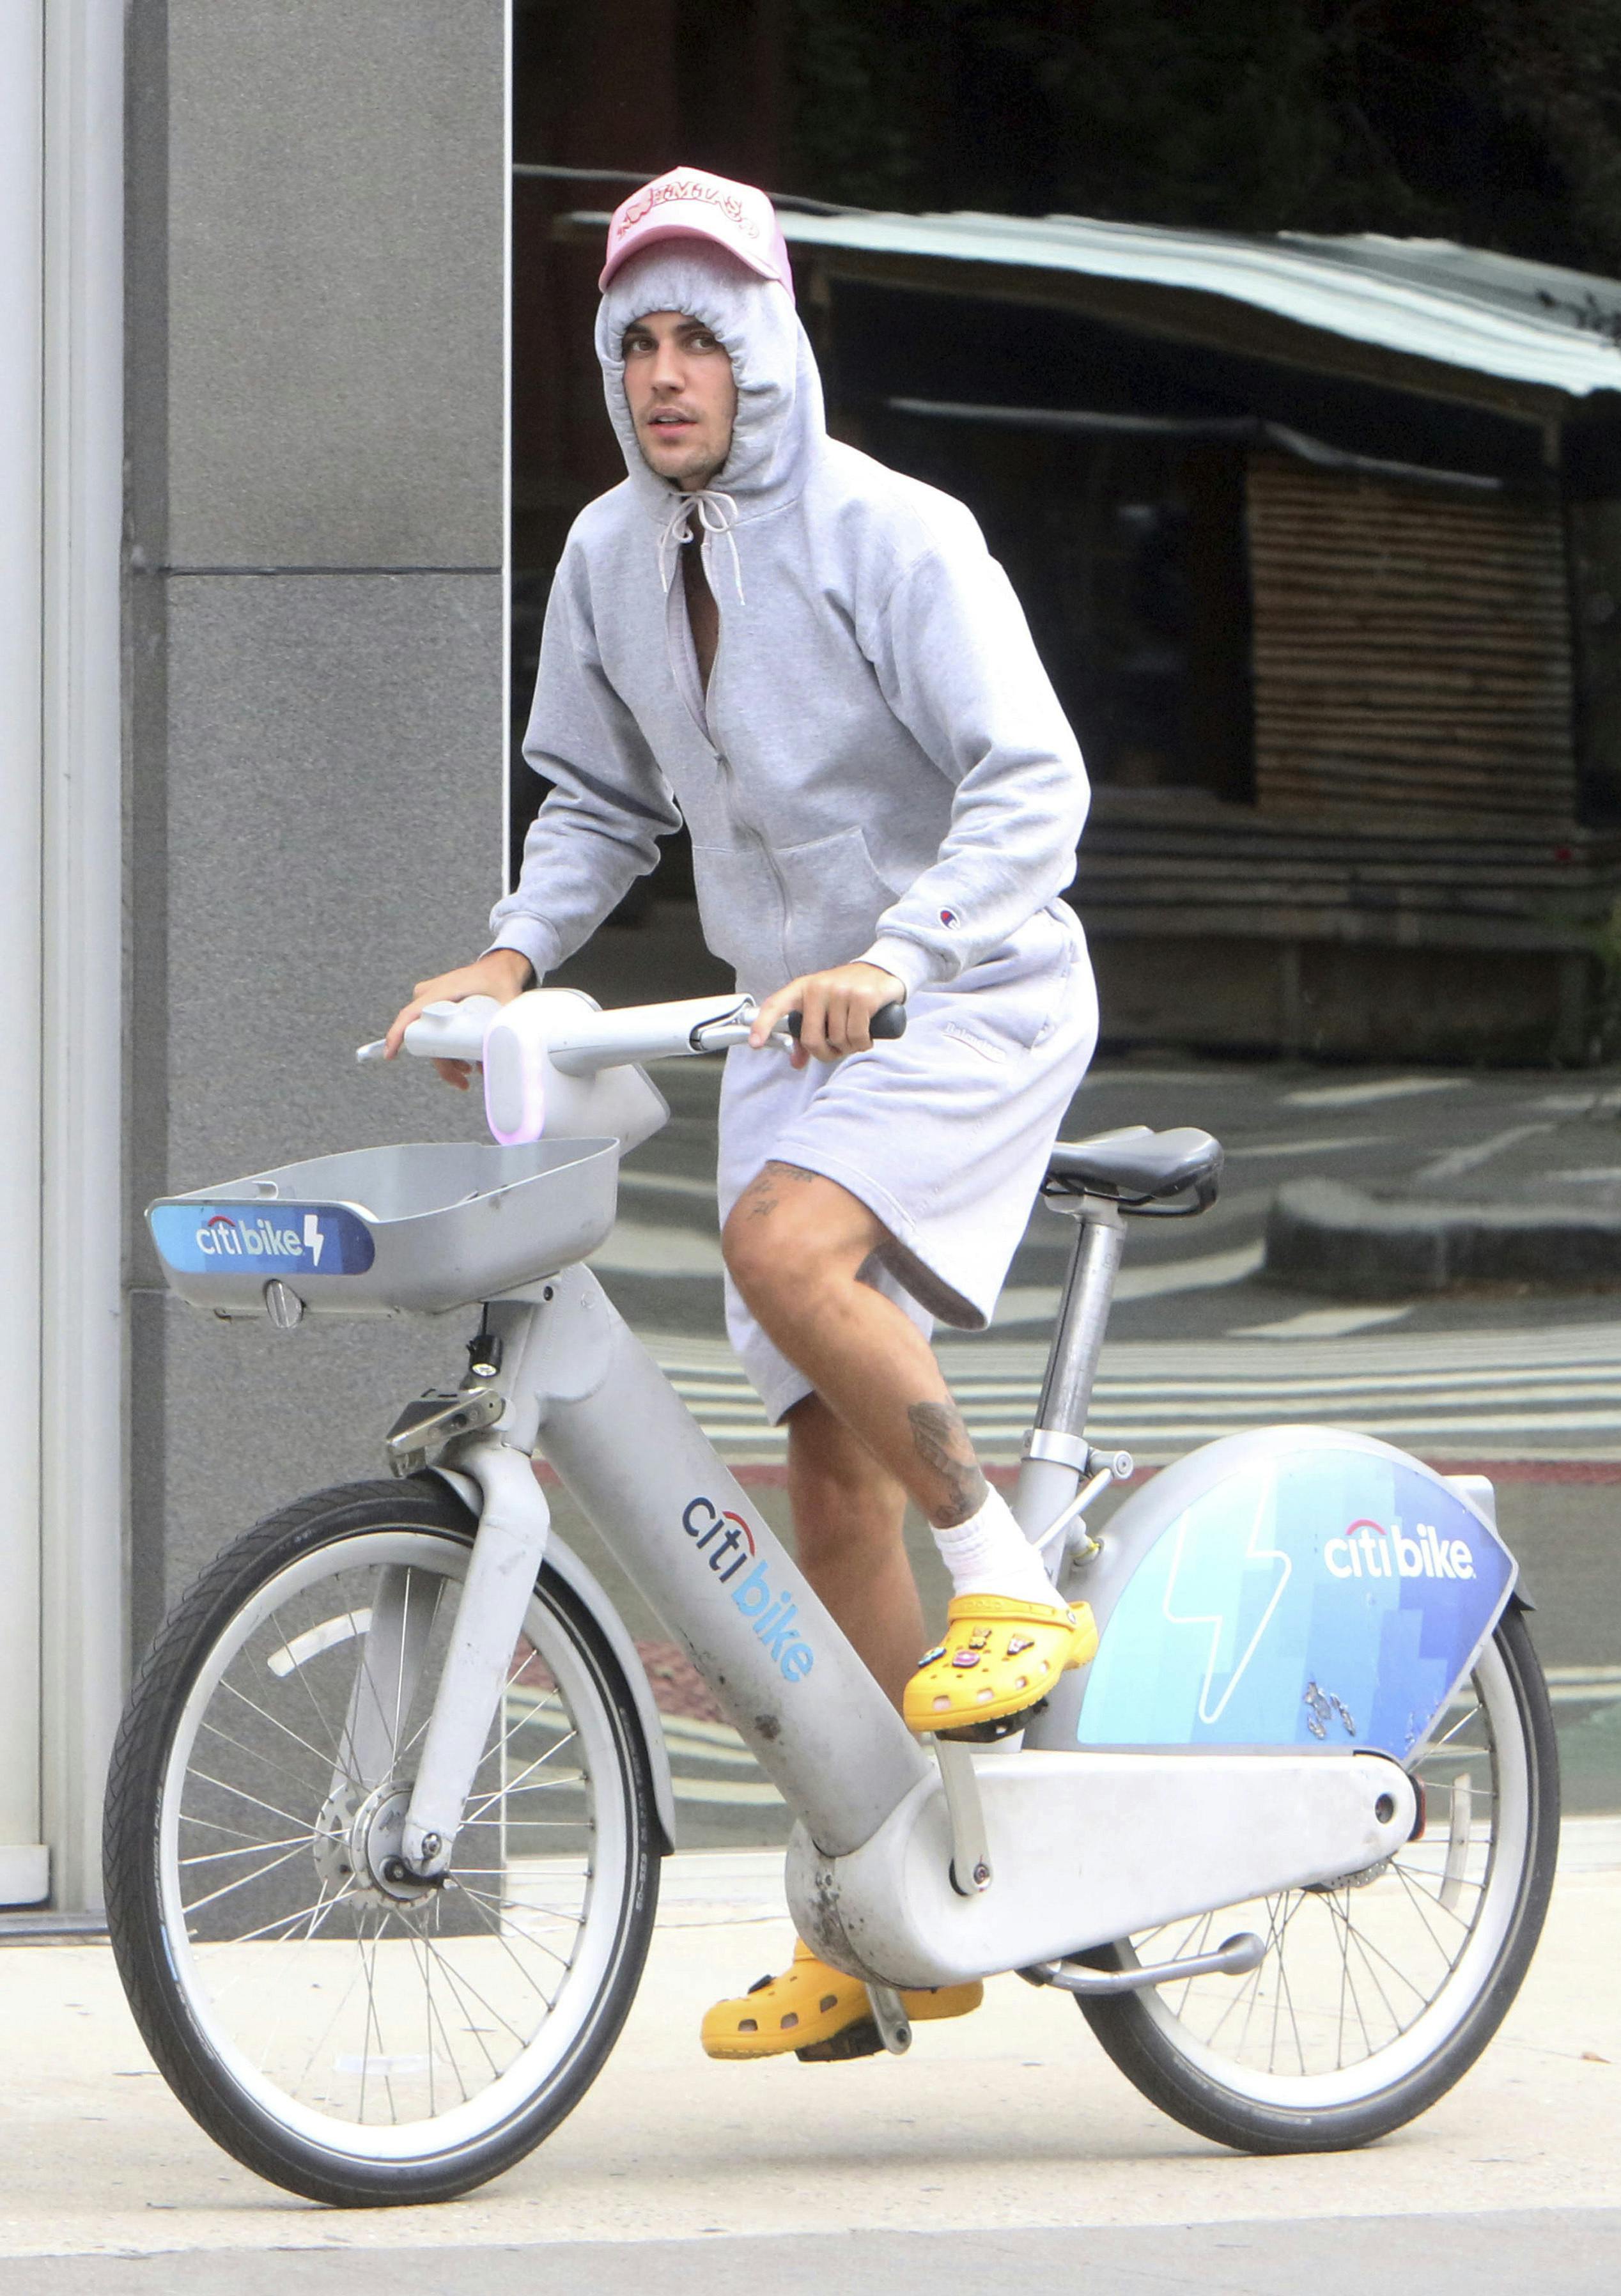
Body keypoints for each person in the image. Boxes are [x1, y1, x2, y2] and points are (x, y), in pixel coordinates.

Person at [386, 167, 1100, 2061]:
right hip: (785, 1020)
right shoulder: (614, 557)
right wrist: (515, 962)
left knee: (784, 1251)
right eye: (638, 343)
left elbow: (1033, 787)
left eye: (704, 336)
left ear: (769, 351)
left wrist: (906, 948)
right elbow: (599, 799)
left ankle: (1012, 1584)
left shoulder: (898, 533)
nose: (668, 374)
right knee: (820, 1484)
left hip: (967, 983)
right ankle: (897, 1924)